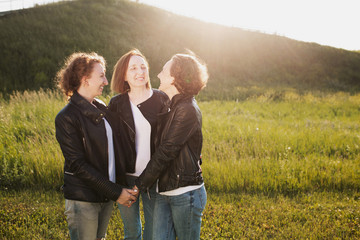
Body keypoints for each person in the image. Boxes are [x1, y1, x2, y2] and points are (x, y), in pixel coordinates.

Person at [55, 52, 137, 240]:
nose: (106, 81)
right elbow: (77, 165)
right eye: (101, 76)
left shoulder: (100, 107)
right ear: (85, 80)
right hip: (83, 199)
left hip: (103, 196)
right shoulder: (67, 117)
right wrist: (116, 192)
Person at [134, 51, 209, 240]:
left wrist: (138, 186)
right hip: (164, 190)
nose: (158, 75)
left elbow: (165, 152)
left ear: (175, 77)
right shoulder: (170, 105)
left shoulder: (187, 110)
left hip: (185, 194)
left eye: (163, 71)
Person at [108, 49, 168, 240]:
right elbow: (111, 142)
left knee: (154, 233)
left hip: (154, 178)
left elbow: (171, 139)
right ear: (124, 75)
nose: (140, 72)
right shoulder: (116, 103)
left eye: (143, 67)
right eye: (133, 68)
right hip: (126, 179)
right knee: (132, 233)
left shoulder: (161, 99)